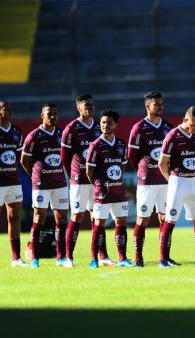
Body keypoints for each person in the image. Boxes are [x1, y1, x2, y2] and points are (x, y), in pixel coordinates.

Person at [158, 106, 195, 268]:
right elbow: (162, 163)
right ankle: (163, 259)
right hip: (178, 182)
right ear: (185, 119)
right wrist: (171, 180)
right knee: (170, 220)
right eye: (192, 125)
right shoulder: (173, 136)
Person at [61, 94, 114, 268]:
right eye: (86, 105)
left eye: (92, 105)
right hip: (79, 181)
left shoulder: (100, 127)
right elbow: (64, 156)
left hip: (97, 181)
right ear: (78, 108)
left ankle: (103, 256)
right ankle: (69, 257)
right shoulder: (72, 128)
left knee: (98, 217)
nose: (90, 108)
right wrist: (74, 175)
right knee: (77, 216)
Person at [128, 92, 173, 267]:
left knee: (166, 218)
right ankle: (138, 257)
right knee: (143, 218)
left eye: (161, 103)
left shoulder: (168, 127)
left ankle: (164, 258)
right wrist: (143, 169)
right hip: (146, 181)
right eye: (157, 104)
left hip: (165, 181)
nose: (160, 106)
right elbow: (132, 155)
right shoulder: (138, 128)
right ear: (148, 107)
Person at [21, 103, 68, 268]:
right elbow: (24, 160)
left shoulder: (62, 135)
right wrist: (34, 175)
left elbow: (67, 157)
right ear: (42, 115)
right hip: (41, 184)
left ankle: (61, 257)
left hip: (60, 183)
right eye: (49, 114)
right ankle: (34, 257)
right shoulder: (34, 136)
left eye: (55, 113)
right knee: (38, 218)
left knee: (61, 219)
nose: (53, 116)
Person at [86, 109, 131, 268]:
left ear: (116, 125)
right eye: (103, 122)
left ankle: (123, 258)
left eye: (109, 122)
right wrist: (98, 185)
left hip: (118, 192)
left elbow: (123, 167)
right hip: (102, 193)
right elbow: (89, 171)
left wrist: (115, 182)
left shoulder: (121, 144)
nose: (105, 125)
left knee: (121, 222)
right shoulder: (95, 145)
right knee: (99, 224)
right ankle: (94, 259)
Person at [0, 100, 28, 266]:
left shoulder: (16, 132)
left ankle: (16, 258)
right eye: (4, 108)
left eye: (9, 108)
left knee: (15, 217)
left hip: (13, 181)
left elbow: (19, 157)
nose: (8, 111)